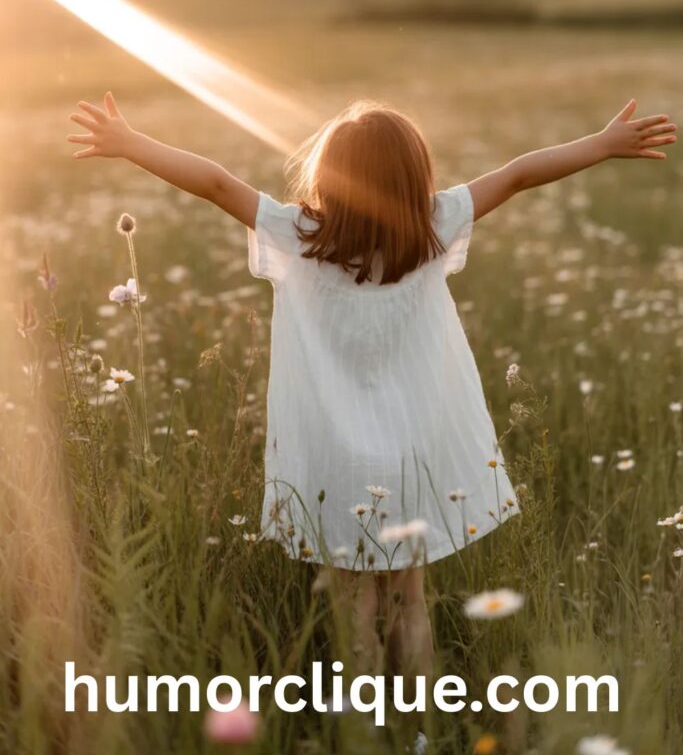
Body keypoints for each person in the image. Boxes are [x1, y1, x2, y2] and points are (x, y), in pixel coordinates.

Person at [67, 93, 676, 690]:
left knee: (353, 601)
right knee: (410, 600)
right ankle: (419, 722)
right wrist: (601, 145)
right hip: (412, 454)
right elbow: (517, 175)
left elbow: (218, 184)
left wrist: (132, 144)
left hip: (335, 458)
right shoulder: (434, 226)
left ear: (329, 178)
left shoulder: (297, 234)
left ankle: (362, 725)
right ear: (415, 177)